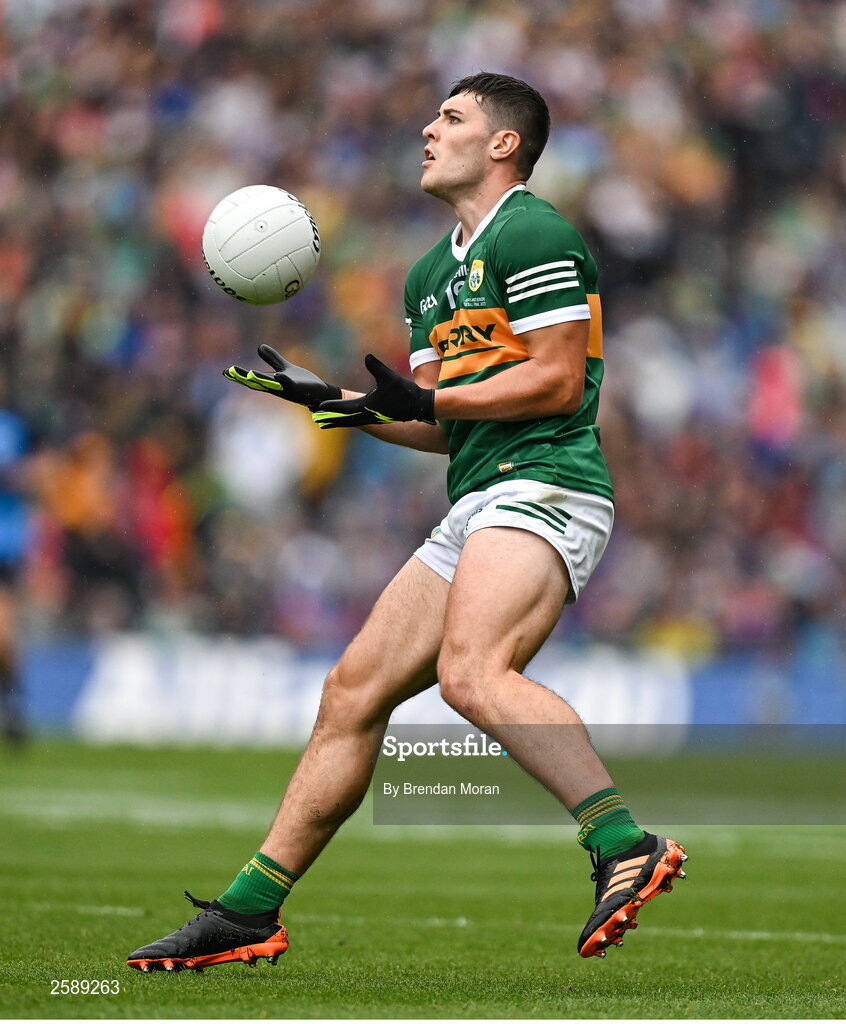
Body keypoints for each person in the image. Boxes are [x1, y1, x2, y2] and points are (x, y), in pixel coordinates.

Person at [127, 71, 687, 973]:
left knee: (472, 674)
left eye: (452, 117)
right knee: (351, 692)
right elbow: (443, 418)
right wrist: (339, 405)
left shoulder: (537, 231)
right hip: (478, 495)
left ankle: (623, 841)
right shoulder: (431, 273)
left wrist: (429, 394)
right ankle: (247, 912)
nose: (429, 128)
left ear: (503, 143)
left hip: (546, 481)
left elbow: (554, 379)